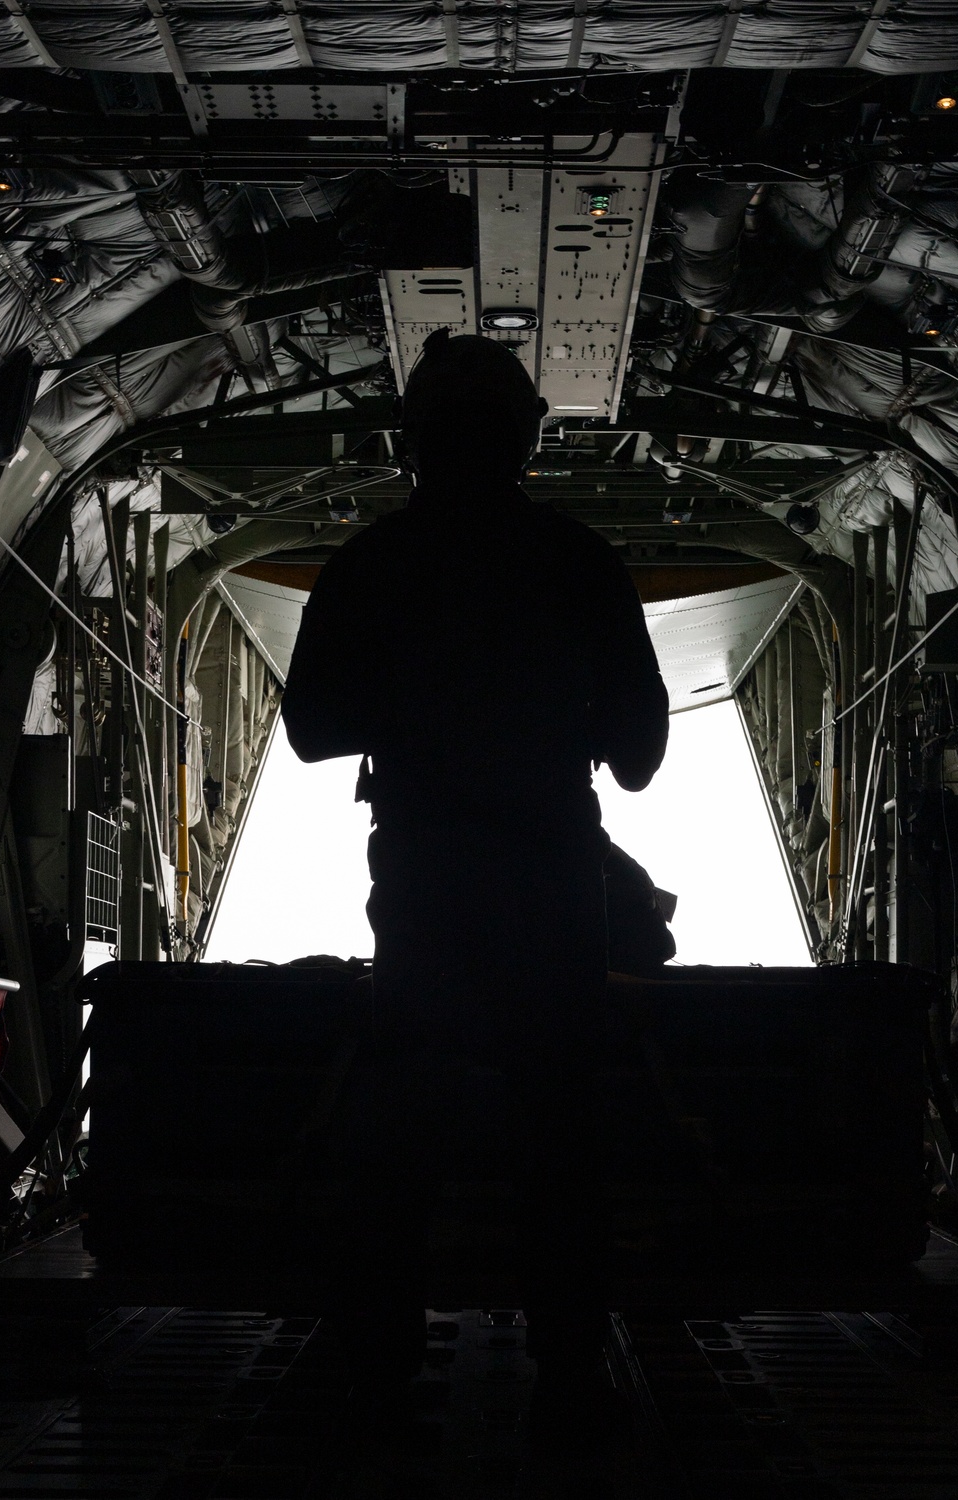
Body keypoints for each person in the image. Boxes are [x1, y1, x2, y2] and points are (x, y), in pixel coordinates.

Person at [282, 329, 669, 1401]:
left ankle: (381, 1361)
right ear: (526, 441)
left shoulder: (372, 565)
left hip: (426, 879)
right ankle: (571, 1367)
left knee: (401, 1124)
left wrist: (418, 704)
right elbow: (637, 754)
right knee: (559, 1126)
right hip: (549, 882)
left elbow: (314, 727)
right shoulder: (580, 563)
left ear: (410, 445)